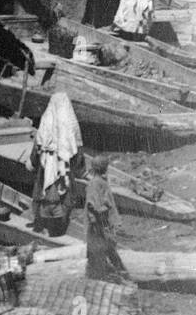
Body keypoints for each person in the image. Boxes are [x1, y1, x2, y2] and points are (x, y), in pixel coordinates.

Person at [31, 91, 83, 235]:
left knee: (44, 193)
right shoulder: (72, 125)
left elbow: (36, 150)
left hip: (45, 171)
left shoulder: (45, 122)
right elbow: (78, 155)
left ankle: (45, 228)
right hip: (64, 172)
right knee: (64, 197)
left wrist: (34, 163)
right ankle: (59, 230)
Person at [85, 156, 131, 284]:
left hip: (100, 224)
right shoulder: (98, 183)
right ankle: (118, 275)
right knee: (105, 250)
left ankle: (116, 276)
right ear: (105, 169)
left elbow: (93, 205)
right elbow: (95, 205)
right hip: (101, 224)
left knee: (103, 250)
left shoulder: (96, 183)